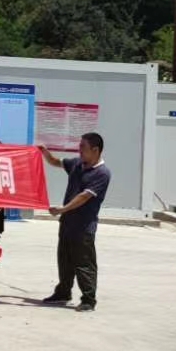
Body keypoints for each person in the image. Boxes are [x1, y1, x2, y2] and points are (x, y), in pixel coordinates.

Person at [38, 132, 111, 312]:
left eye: (83, 147)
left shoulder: (102, 173)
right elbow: (57, 162)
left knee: (84, 264)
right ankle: (63, 293)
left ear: (95, 150)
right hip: (67, 223)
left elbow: (84, 197)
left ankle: (88, 299)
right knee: (64, 260)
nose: (79, 150)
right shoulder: (77, 164)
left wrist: (62, 209)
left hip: (83, 227)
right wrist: (45, 153)